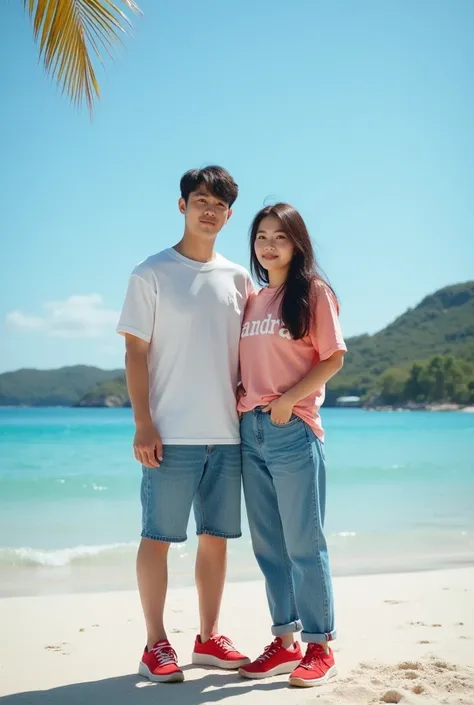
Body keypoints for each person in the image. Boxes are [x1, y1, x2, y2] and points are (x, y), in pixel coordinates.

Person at [116, 166, 253, 683]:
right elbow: (134, 351)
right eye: (200, 201)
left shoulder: (239, 278)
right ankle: (155, 644)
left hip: (227, 434)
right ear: (182, 206)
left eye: (219, 205)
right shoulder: (150, 273)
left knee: (215, 537)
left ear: (229, 214)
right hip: (169, 435)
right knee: (158, 537)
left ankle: (208, 638)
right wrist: (143, 423)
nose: (209, 211)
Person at [237, 203, 346, 687]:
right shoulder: (254, 299)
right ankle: (284, 644)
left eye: (279, 236)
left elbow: (334, 358)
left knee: (305, 543)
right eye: (261, 236)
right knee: (268, 545)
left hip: (292, 428)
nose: (269, 244)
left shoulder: (313, 292)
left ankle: (320, 646)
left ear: (297, 242)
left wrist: (287, 401)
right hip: (249, 431)